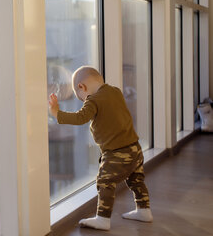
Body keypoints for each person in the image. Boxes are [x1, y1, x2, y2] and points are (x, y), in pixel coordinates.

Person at [48, 66, 153, 230]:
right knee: (136, 180)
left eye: (81, 97)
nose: (84, 101)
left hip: (117, 153)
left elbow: (80, 117)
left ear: (82, 87)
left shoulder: (93, 100)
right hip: (135, 148)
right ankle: (144, 210)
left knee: (105, 181)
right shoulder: (115, 92)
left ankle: (103, 218)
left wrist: (57, 113)